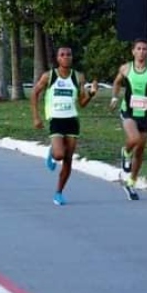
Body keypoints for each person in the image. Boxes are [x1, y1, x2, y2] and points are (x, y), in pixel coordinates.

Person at [31, 46, 97, 206]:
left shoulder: (78, 77)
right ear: (57, 58)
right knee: (60, 154)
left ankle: (59, 192)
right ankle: (52, 151)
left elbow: (82, 103)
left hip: (72, 120)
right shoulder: (49, 76)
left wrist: (91, 95)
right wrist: (36, 117)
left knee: (68, 159)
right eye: (62, 54)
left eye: (69, 54)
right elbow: (34, 93)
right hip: (56, 119)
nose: (66, 57)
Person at [110, 38, 147, 200]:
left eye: (145, 49)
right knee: (133, 138)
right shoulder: (126, 68)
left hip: (145, 114)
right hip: (128, 111)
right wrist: (114, 98)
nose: (142, 52)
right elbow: (117, 82)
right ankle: (125, 152)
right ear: (133, 51)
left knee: (140, 150)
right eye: (139, 49)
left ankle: (131, 183)